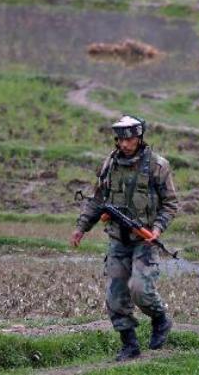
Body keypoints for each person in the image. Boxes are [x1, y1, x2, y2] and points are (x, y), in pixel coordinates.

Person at [70, 115, 178, 361]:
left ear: (140, 138)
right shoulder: (109, 165)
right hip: (118, 239)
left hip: (145, 240)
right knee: (115, 296)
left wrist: (157, 229)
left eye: (130, 139)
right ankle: (129, 345)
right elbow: (98, 200)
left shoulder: (158, 166)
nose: (126, 144)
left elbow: (171, 204)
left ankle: (160, 319)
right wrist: (81, 227)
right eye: (121, 140)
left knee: (141, 290)